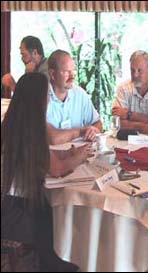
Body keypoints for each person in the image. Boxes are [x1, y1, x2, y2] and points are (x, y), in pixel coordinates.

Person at [1, 72, 92, 271]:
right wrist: (80, 157)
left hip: (8, 205)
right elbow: (57, 170)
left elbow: (44, 158)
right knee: (60, 226)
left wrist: (69, 153)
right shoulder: (32, 128)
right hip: (17, 213)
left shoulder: (13, 122)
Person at [47, 49, 102, 144]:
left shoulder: (80, 94)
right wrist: (81, 131)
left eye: (73, 71)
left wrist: (93, 131)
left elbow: (97, 123)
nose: (72, 77)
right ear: (52, 74)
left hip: (80, 153)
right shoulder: (41, 98)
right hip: (52, 157)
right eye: (66, 72)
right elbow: (52, 138)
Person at [112, 50, 148, 134]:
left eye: (139, 70)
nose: (135, 75)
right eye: (132, 70)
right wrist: (142, 127)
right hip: (129, 140)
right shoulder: (123, 88)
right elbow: (118, 122)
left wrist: (129, 115)